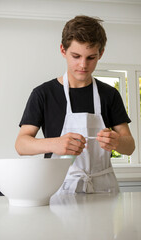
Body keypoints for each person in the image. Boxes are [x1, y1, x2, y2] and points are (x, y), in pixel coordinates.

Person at [15, 15, 135, 194]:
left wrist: (116, 142)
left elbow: (130, 146)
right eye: (76, 56)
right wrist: (54, 144)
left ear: (100, 53)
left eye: (91, 57)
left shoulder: (109, 95)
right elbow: (21, 144)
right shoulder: (43, 94)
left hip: (103, 189)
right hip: (59, 188)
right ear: (63, 50)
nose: (83, 65)